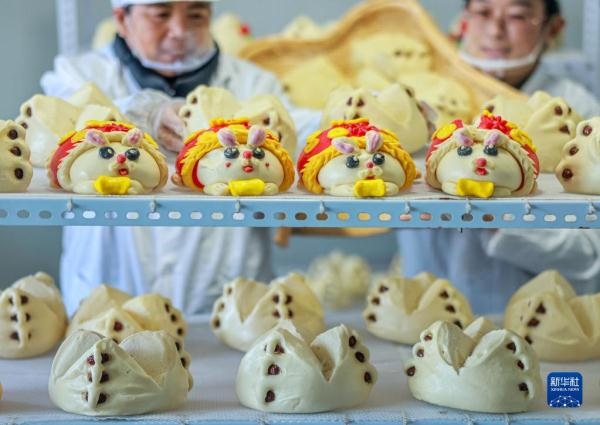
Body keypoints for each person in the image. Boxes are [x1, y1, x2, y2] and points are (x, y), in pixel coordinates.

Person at [41, 0, 317, 315]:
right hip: (106, 304)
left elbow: (301, 133)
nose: (179, 31)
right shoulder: (78, 73)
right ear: (122, 19)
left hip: (227, 307)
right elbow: (60, 123)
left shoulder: (254, 84)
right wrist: (146, 113)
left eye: (195, 15)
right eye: (161, 14)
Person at [397, 0, 600, 314]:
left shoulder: (577, 114)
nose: (494, 30)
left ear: (553, 28)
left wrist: (499, 215)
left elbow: (591, 258)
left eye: (517, 16)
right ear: (463, 20)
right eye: (482, 12)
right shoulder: (422, 101)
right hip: (423, 312)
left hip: (534, 321)